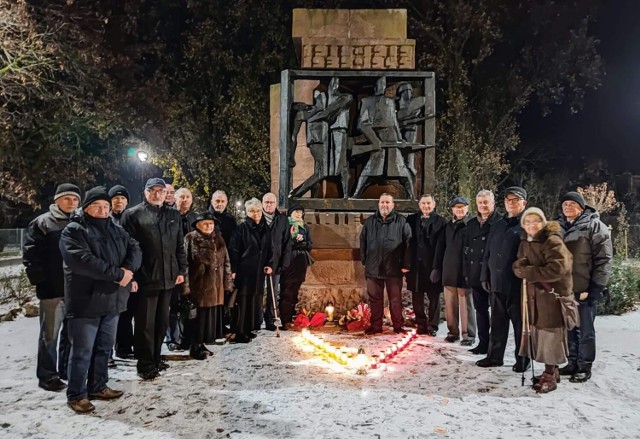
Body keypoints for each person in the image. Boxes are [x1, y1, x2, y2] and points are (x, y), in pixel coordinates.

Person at [59, 186, 142, 413]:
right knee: (82, 351)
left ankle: (98, 385)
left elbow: (135, 248)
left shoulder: (115, 229)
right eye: (98, 206)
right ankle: (76, 394)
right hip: (86, 300)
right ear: (86, 208)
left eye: (106, 206)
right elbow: (83, 261)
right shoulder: (74, 231)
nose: (103, 210)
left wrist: (127, 269)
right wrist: (119, 275)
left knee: (104, 348)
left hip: (112, 299)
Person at [120, 178, 187, 380]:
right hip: (145, 278)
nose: (157, 194)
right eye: (153, 190)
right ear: (145, 192)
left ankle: (156, 357)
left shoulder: (173, 215)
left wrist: (181, 270)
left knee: (161, 321)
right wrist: (131, 274)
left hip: (168, 278)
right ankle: (145, 363)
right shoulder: (133, 215)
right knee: (145, 324)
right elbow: (127, 249)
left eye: (161, 190)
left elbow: (179, 246)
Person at [23, 183, 81, 392]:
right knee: (50, 335)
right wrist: (42, 283)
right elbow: (31, 256)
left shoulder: (79, 221)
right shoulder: (42, 223)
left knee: (70, 334)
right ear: (57, 200)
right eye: (67, 199)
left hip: (74, 289)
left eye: (75, 200)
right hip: (52, 290)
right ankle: (47, 375)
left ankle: (66, 370)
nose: (71, 203)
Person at [512, 207, 573, 393]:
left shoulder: (552, 241)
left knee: (550, 334)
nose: (531, 225)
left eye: (535, 221)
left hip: (550, 297)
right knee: (540, 332)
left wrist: (528, 272)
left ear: (543, 222)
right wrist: (519, 267)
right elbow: (519, 262)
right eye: (527, 222)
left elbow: (558, 269)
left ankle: (549, 374)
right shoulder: (526, 241)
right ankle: (552, 371)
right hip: (534, 296)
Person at [558, 191, 613, 383]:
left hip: (584, 287)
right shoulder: (560, 226)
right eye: (564, 204)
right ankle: (572, 361)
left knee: (585, 329)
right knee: (570, 328)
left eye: (572, 204)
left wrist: (596, 287)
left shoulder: (595, 226)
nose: (567, 207)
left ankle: (584, 365)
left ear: (581, 207)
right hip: (565, 289)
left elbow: (604, 259)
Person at [477, 186, 530, 372]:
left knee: (519, 325)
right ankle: (494, 356)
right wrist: (485, 274)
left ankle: (522, 358)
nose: (511, 203)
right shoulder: (498, 224)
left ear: (524, 202)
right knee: (497, 323)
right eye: (508, 200)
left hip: (517, 284)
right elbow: (488, 252)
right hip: (497, 282)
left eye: (515, 200)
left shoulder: (526, 224)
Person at [360, 193, 412, 334]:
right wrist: (364, 260)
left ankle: (397, 326)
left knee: (395, 300)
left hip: (394, 268)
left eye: (388, 202)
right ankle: (376, 326)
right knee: (375, 300)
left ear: (393, 205)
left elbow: (408, 243)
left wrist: (406, 264)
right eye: (382, 202)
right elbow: (363, 241)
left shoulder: (401, 221)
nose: (385, 205)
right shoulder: (370, 221)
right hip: (373, 268)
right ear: (378, 204)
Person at [184, 212, 233, 359]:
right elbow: (185, 263)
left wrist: (227, 283)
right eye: (205, 223)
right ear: (198, 225)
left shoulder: (218, 239)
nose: (209, 226)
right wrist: (185, 286)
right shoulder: (191, 238)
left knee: (208, 320)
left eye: (211, 223)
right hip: (199, 285)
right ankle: (195, 346)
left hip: (215, 287)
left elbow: (226, 262)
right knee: (197, 319)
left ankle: (202, 344)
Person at [228, 198, 273, 343]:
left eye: (258, 210)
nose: (256, 214)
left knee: (255, 299)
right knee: (243, 300)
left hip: (259, 271)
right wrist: (233, 269)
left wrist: (269, 263)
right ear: (247, 212)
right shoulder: (241, 228)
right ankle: (240, 330)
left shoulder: (265, 228)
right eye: (252, 211)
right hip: (244, 270)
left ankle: (249, 328)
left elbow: (269, 249)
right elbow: (234, 249)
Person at [434, 196, 476, 345]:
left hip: (465, 271)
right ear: (452, 209)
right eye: (456, 207)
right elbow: (440, 248)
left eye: (462, 207)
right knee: (450, 305)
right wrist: (436, 268)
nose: (459, 210)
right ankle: (453, 332)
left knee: (466, 306)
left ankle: (468, 335)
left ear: (467, 208)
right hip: (449, 270)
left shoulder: (472, 225)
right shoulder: (447, 226)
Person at [464, 190, 501, 355]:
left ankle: (495, 346)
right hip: (475, 274)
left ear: (493, 203)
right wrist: (467, 273)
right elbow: (466, 251)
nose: (483, 206)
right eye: (480, 203)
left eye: (486, 202)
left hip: (492, 275)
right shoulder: (471, 224)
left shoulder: (500, 222)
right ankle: (483, 342)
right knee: (480, 311)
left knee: (497, 314)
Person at [406, 194, 447, 336]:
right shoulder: (411, 220)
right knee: (416, 296)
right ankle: (421, 323)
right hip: (415, 266)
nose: (426, 206)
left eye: (429, 203)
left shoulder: (442, 222)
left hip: (432, 265)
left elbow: (442, 246)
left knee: (434, 297)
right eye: (423, 203)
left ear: (434, 204)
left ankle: (432, 325)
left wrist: (438, 267)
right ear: (419, 205)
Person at [166, 187, 198, 351]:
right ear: (175, 199)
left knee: (189, 305)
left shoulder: (195, 218)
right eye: (181, 197)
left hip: (192, 270)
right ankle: (173, 338)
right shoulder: (169, 216)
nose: (185, 199)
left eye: (188, 197)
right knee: (174, 306)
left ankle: (187, 337)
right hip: (173, 268)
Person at [279, 204, 313, 328]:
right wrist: (294, 240)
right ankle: (285, 319)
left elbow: (310, 244)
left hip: (300, 262)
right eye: (296, 212)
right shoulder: (286, 226)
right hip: (289, 261)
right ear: (290, 214)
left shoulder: (305, 227)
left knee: (294, 291)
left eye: (301, 212)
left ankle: (291, 316)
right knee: (287, 291)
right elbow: (283, 243)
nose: (299, 215)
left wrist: (303, 243)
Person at [261, 192, 290, 331]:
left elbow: (286, 242)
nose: (269, 205)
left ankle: (271, 319)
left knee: (274, 293)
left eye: (271, 202)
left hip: (276, 262)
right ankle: (256, 319)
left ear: (276, 204)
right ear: (262, 203)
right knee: (259, 292)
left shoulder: (283, 220)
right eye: (266, 202)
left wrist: (284, 263)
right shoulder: (258, 218)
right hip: (259, 262)